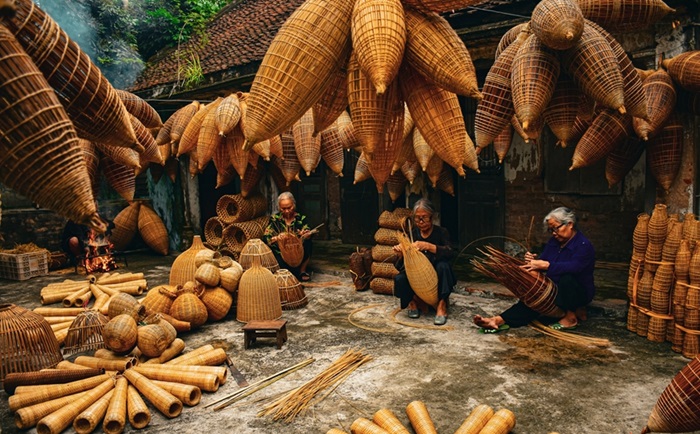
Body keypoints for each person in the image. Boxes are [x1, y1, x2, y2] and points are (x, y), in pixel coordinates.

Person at [474, 206, 596, 333]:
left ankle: (571, 317)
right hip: (555, 289)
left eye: (556, 228)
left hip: (578, 292)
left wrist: (547, 265)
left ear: (570, 224)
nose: (553, 232)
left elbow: (575, 267)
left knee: (567, 278)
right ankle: (498, 320)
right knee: (533, 301)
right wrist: (533, 260)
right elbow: (544, 259)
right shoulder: (554, 241)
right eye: (551, 230)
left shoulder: (583, 245)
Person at [392, 198, 456, 326]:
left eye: (424, 218)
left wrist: (428, 246)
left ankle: (441, 305)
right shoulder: (412, 234)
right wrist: (401, 255)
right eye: (417, 218)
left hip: (435, 276)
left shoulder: (441, 232)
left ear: (432, 218)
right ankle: (412, 302)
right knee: (399, 279)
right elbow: (399, 267)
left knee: (444, 267)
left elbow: (450, 252)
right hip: (417, 277)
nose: (421, 222)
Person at [262, 192, 313, 281]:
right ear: (279, 207)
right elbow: (266, 237)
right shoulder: (275, 219)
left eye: (289, 208)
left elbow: (307, 230)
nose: (286, 211)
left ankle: (302, 270)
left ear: (294, 204)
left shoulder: (301, 218)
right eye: (283, 208)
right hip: (281, 252)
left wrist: (305, 235)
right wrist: (276, 238)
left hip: (297, 252)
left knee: (308, 243)